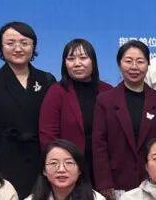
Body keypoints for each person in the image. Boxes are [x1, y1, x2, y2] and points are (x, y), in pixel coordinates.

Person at [0, 21, 56, 199]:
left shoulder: (47, 80)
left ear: (33, 47)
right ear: (1, 48)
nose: (18, 48)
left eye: (24, 43)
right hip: (4, 162)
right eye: (10, 43)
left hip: (41, 160)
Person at [91, 40, 156, 200]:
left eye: (140, 61)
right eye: (128, 61)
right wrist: (104, 181)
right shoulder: (105, 100)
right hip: (116, 183)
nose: (134, 67)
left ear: (148, 64)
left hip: (153, 181)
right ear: (119, 64)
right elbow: (99, 144)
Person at [38, 38, 111, 185]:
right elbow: (48, 135)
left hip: (105, 167)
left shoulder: (108, 91)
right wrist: (59, 165)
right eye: (71, 59)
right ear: (64, 63)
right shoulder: (56, 92)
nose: (77, 63)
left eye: (83, 58)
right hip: (68, 168)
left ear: (93, 61)